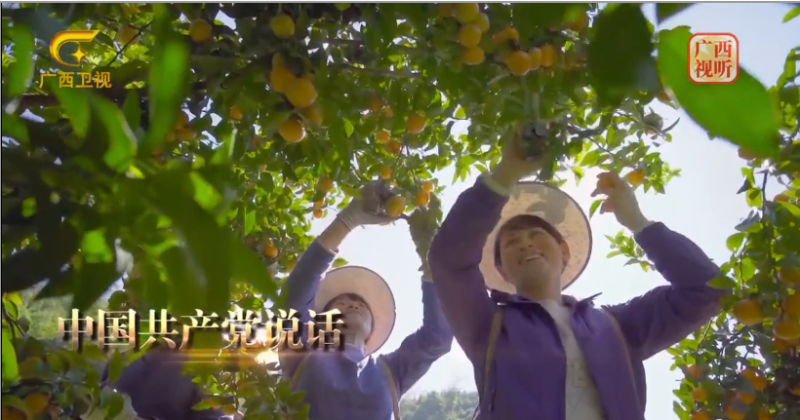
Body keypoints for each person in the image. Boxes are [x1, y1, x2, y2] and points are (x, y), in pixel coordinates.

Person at [427, 123, 724, 420]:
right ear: (502, 272)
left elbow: (707, 288)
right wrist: (506, 173)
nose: (525, 243)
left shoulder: (616, 326)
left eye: (536, 234)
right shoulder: (487, 323)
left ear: (564, 252)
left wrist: (638, 222)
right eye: (511, 242)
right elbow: (449, 259)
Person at [278, 181, 453, 420]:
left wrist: (430, 261)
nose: (353, 305)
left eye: (362, 305)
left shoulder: (390, 371)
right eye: (340, 304)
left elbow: (437, 338)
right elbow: (295, 297)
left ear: (372, 328)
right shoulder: (304, 353)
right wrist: (348, 220)